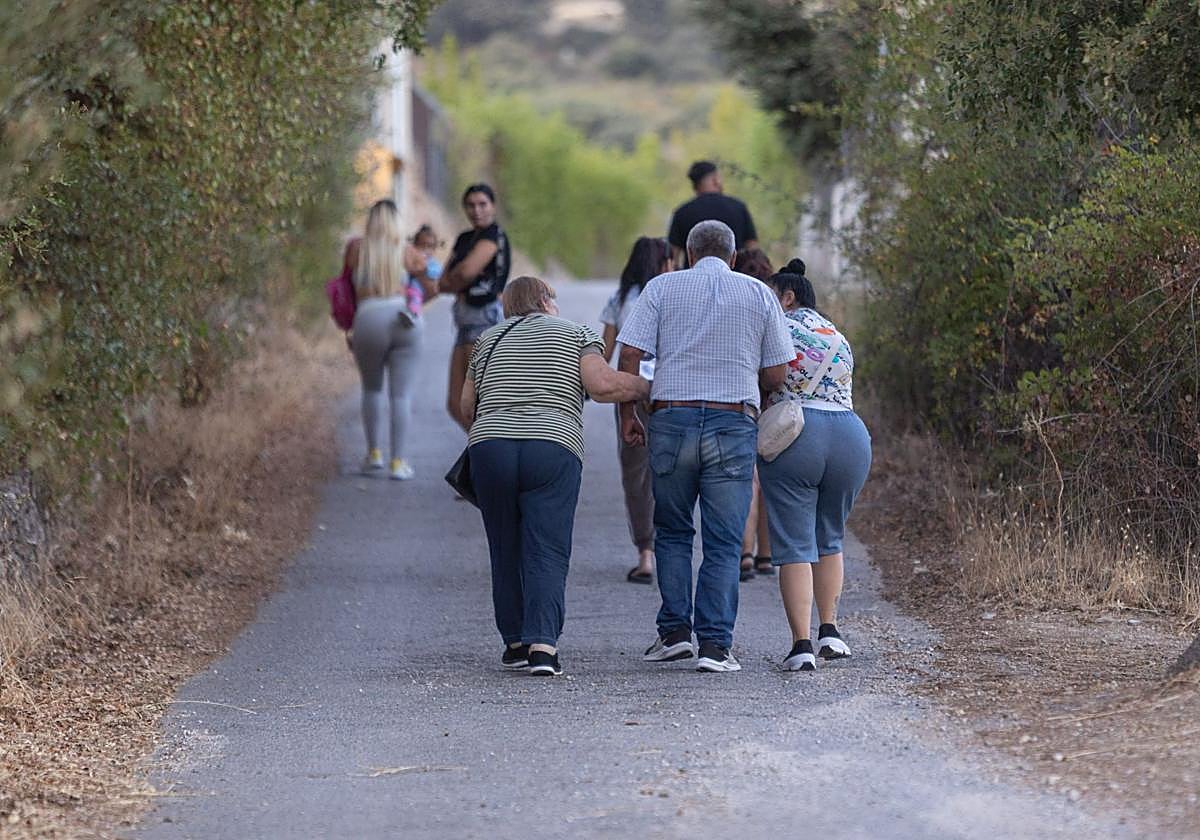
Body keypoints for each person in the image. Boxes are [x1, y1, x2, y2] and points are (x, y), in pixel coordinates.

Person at [616, 220, 793, 673]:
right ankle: (715, 646)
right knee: (724, 539)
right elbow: (777, 374)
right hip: (732, 422)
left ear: (690, 254)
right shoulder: (757, 294)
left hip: (670, 419)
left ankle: (675, 633)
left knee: (672, 530)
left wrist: (628, 416)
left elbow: (629, 356)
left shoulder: (660, 288)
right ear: (733, 257)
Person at [463, 277, 650, 677]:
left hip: (490, 447)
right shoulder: (577, 333)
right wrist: (647, 386)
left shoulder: (486, 341)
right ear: (547, 301)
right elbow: (601, 387)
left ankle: (515, 643)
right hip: (552, 446)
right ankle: (543, 648)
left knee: (504, 544)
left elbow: (467, 407)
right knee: (547, 546)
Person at [756, 259, 872, 672]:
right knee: (830, 537)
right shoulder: (835, 333)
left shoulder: (775, 327)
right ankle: (832, 632)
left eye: (770, 297)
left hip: (798, 433)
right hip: (851, 436)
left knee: (792, 544)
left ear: (786, 297)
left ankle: (801, 645)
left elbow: (769, 378)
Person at [348, 200, 437, 480]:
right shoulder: (408, 251)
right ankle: (398, 462)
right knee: (401, 395)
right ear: (396, 223)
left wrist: (350, 328)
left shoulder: (356, 249)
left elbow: (346, 289)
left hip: (368, 317)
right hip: (402, 316)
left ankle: (374, 454)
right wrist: (418, 303)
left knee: (372, 389)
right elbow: (432, 284)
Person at [600, 237, 672, 584]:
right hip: (670, 392)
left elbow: (606, 352)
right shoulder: (672, 297)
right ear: (664, 265)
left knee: (635, 474)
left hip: (629, 391)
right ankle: (671, 548)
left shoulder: (619, 300)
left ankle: (645, 553)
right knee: (671, 470)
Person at [439, 184, 512, 431]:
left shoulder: (494, 235)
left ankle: (488, 455)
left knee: (478, 402)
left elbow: (465, 271)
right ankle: (483, 451)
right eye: (470, 205)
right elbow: (444, 281)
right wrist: (458, 277)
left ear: (493, 206)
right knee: (455, 403)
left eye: (482, 204)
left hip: (484, 320)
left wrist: (459, 275)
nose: (476, 210)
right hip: (463, 323)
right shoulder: (464, 239)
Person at [731, 248, 776, 581]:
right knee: (771, 479)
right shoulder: (772, 305)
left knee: (749, 480)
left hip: (742, 401)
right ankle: (766, 554)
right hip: (774, 404)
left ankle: (744, 552)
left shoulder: (735, 304)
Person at [666, 161, 758, 269]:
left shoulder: (682, 212)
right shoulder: (738, 208)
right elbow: (752, 249)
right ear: (715, 179)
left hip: (695, 281)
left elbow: (673, 257)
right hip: (736, 277)